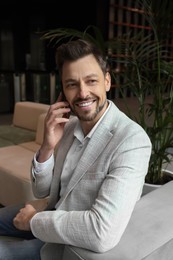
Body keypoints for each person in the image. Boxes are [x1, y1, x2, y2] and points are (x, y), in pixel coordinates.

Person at [0, 39, 151, 259]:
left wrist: (33, 221)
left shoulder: (132, 141)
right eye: (72, 84)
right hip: (50, 212)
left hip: (66, 243)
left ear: (107, 81)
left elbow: (101, 232)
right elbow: (42, 191)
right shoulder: (69, 126)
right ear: (63, 89)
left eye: (91, 81)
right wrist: (47, 147)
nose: (82, 93)